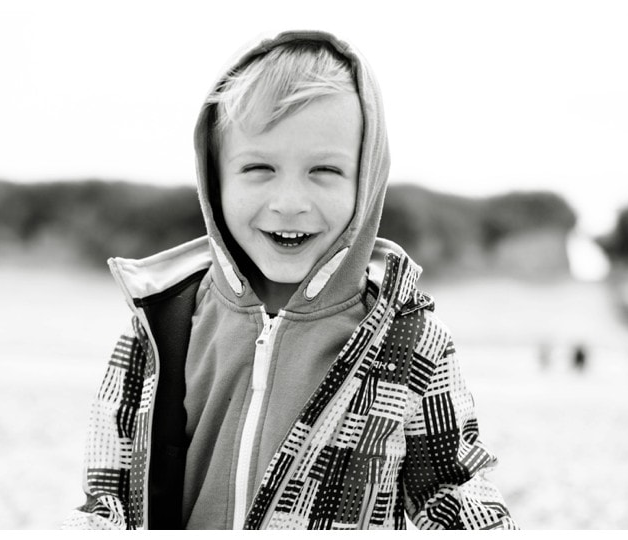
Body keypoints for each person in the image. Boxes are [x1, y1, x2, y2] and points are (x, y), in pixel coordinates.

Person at [62, 30, 517, 530]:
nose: (288, 202)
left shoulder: (407, 342)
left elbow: (451, 493)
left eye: (324, 170)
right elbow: (109, 497)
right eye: (258, 168)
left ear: (366, 181)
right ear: (215, 180)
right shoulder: (159, 328)